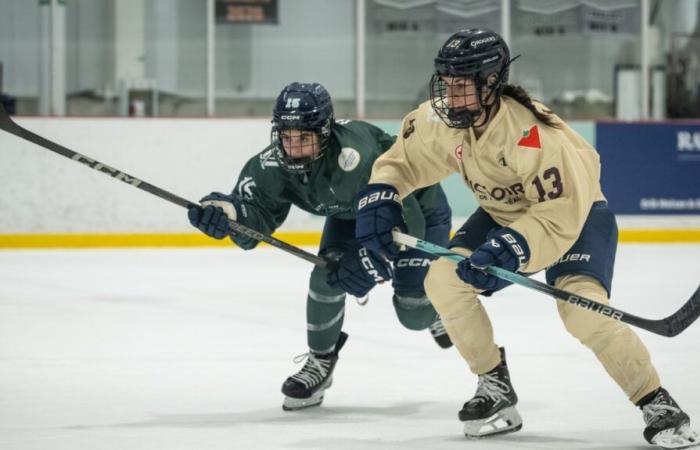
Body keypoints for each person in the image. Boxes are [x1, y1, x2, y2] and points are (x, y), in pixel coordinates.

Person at [353, 29, 698, 448]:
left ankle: (657, 402)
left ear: (491, 82)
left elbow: (560, 212)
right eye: (447, 82)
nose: (451, 93)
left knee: (583, 313)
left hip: (577, 217)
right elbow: (403, 160)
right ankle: (494, 386)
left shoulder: (533, 134)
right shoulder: (442, 119)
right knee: (442, 280)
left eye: (462, 84)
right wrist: (381, 194)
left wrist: (512, 248)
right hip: (503, 215)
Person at [187, 82, 453, 411]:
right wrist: (229, 215)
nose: (294, 148)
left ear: (324, 132)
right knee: (325, 277)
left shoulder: (356, 159)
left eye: (304, 138)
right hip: (350, 213)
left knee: (412, 312)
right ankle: (320, 362)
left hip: (417, 209)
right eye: (287, 137)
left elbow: (405, 217)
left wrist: (371, 262)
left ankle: (437, 307)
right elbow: (254, 223)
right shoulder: (271, 166)